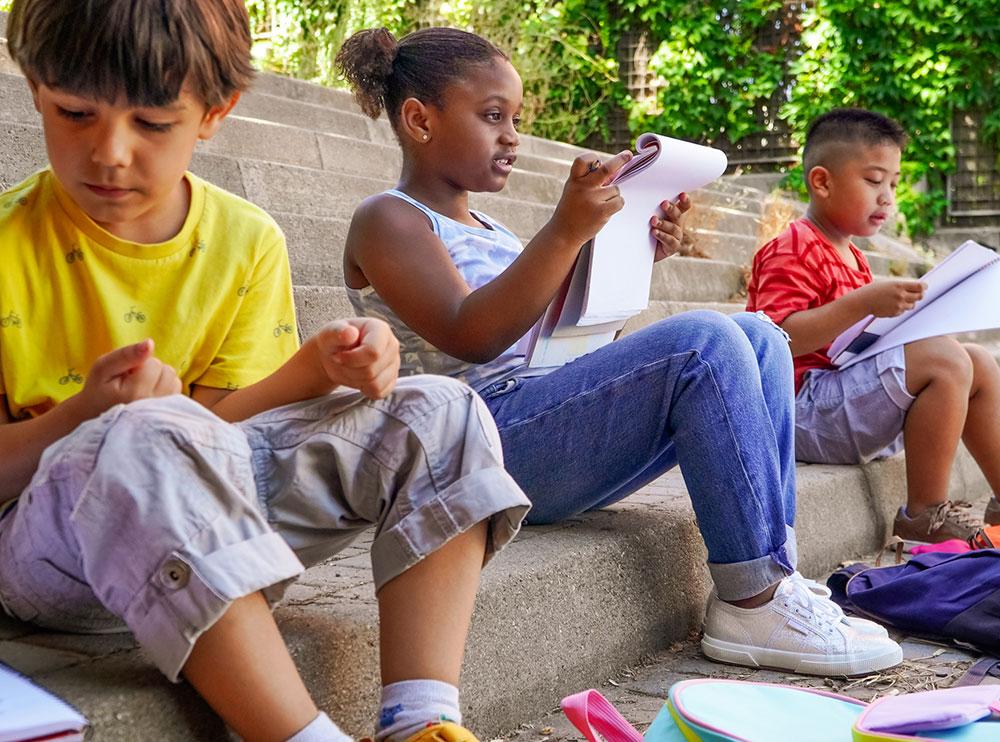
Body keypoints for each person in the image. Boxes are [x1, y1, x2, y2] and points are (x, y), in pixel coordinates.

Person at [0, 3, 531, 741]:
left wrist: (316, 370)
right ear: (35, 90)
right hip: (51, 552)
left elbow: (222, 437)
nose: (110, 152)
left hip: (212, 523)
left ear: (215, 113)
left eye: (152, 124)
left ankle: (423, 722)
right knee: (142, 435)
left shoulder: (245, 241)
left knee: (443, 407)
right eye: (75, 113)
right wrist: (84, 416)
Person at [336, 27, 903, 676]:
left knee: (759, 336)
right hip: (475, 445)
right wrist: (565, 231)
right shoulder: (389, 219)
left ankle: (774, 574)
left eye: (517, 119)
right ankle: (752, 596)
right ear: (419, 119)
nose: (513, 136)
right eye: (493, 116)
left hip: (537, 421)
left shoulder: (491, 229)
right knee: (705, 340)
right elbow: (473, 333)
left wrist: (630, 247)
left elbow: (564, 341)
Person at [747, 107, 1000, 544]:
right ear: (822, 182)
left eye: (894, 184)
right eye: (873, 180)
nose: (887, 197)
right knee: (945, 360)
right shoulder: (792, 247)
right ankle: (924, 513)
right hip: (798, 409)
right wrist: (861, 303)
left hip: (840, 398)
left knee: (979, 360)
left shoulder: (855, 257)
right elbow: (774, 341)